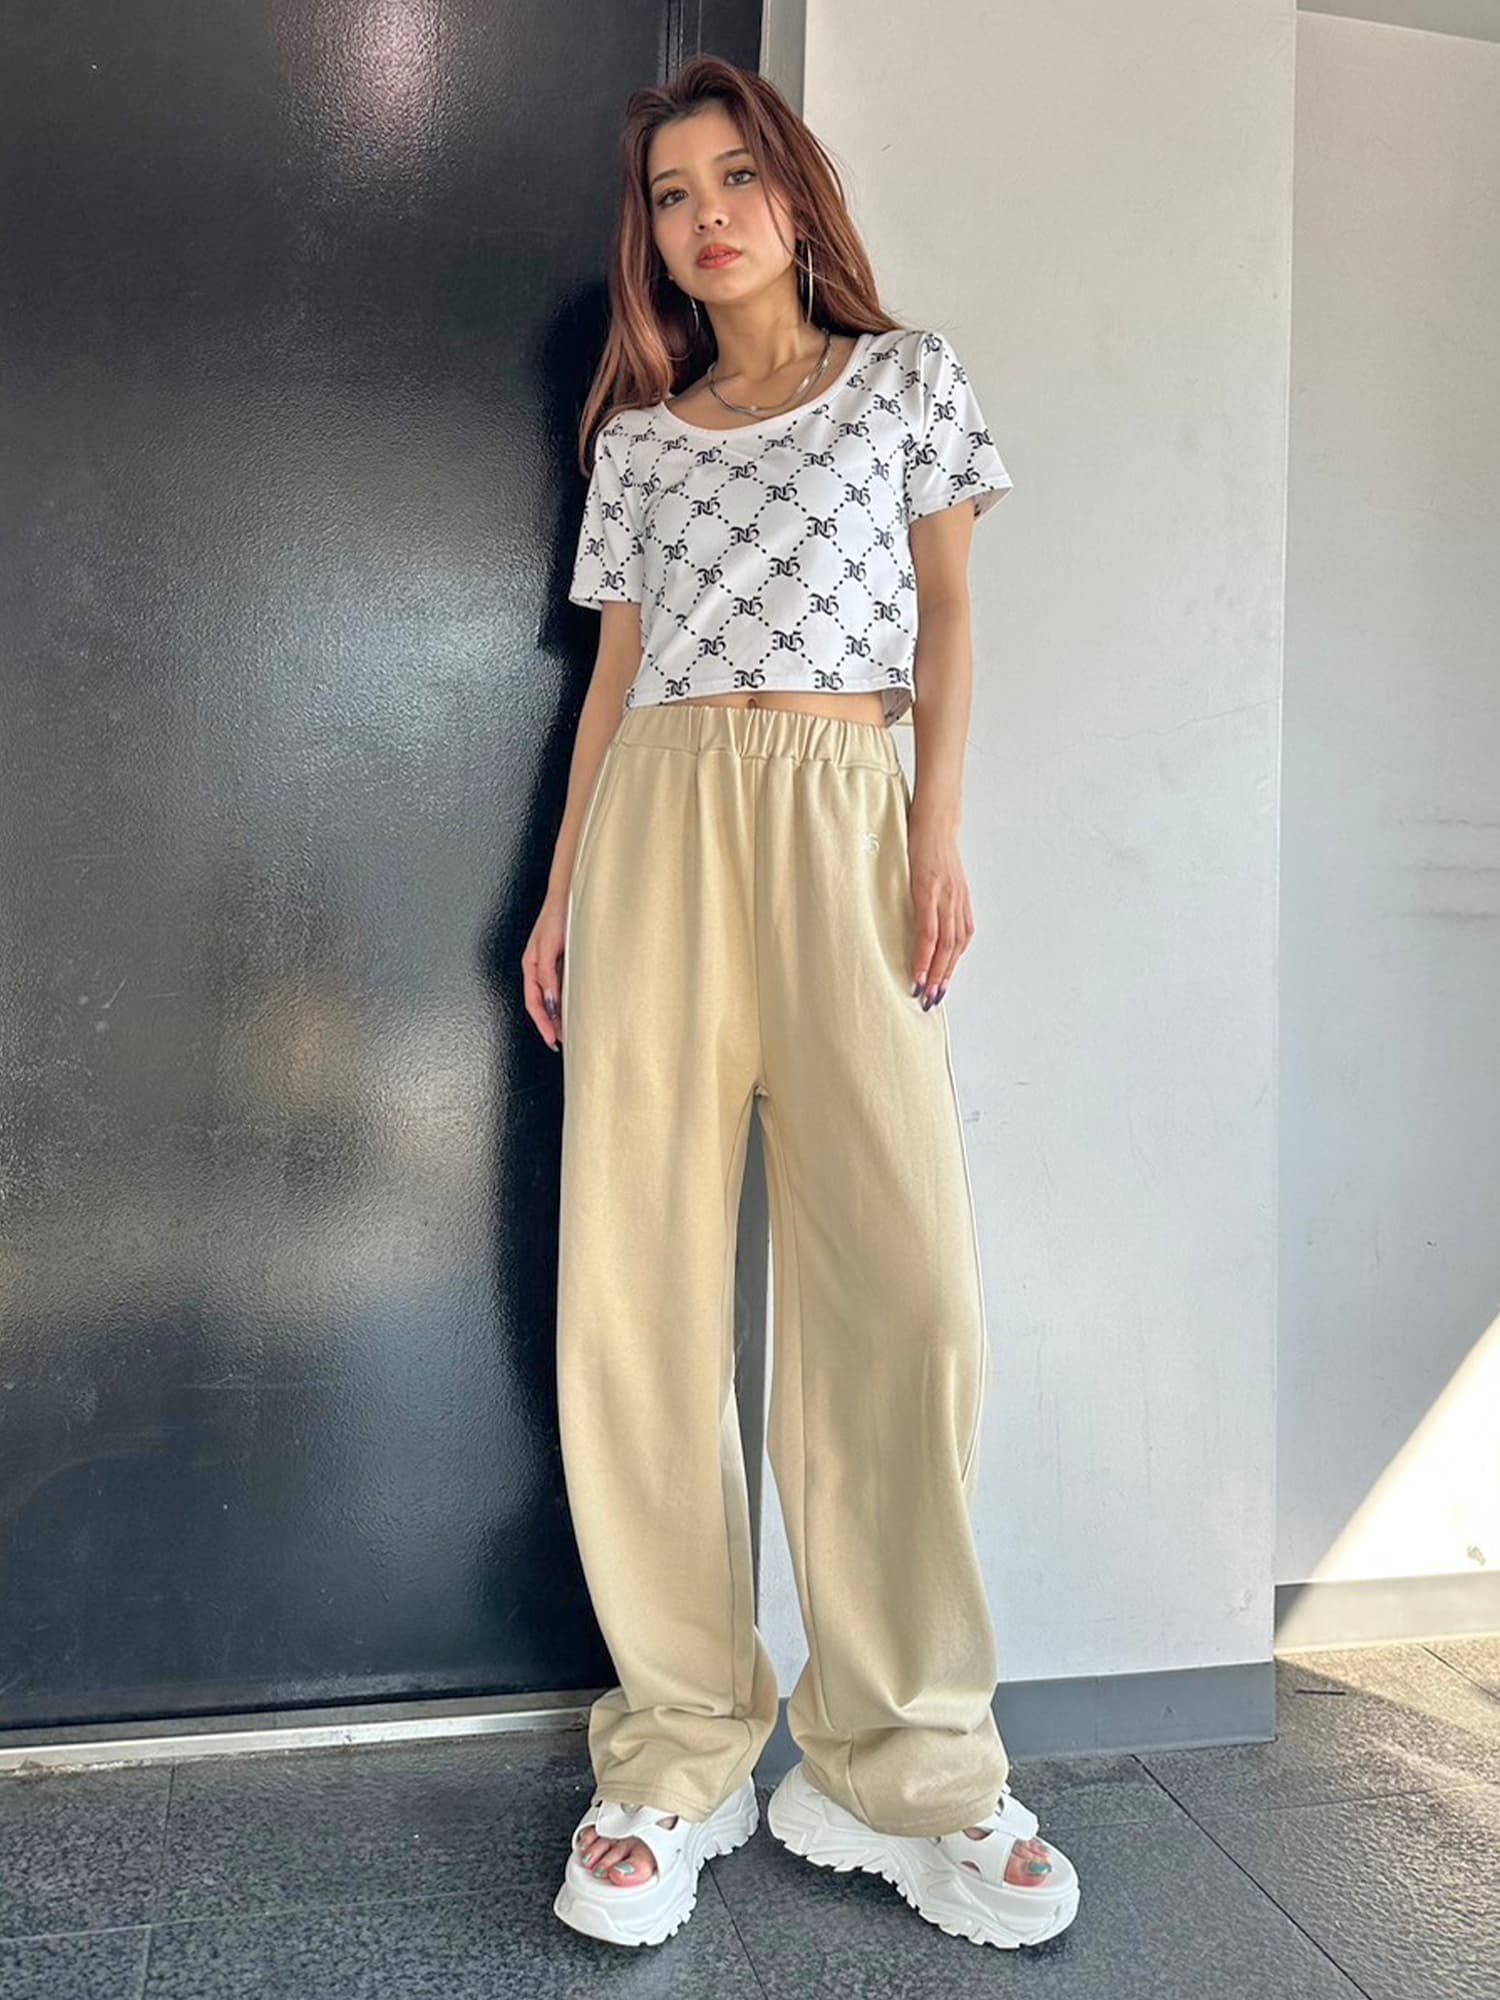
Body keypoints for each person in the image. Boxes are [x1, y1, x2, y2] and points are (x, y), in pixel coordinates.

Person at [521, 54, 1081, 1954]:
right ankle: (679, 1751)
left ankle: (899, 1764)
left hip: (847, 810)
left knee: (903, 1292)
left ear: (795, 189)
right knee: (639, 1290)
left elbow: (952, 617)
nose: (708, 216)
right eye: (673, 194)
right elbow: (615, 677)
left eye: (736, 177)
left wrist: (934, 835)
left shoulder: (908, 381)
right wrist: (561, 890)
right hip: (662, 824)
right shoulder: (641, 442)